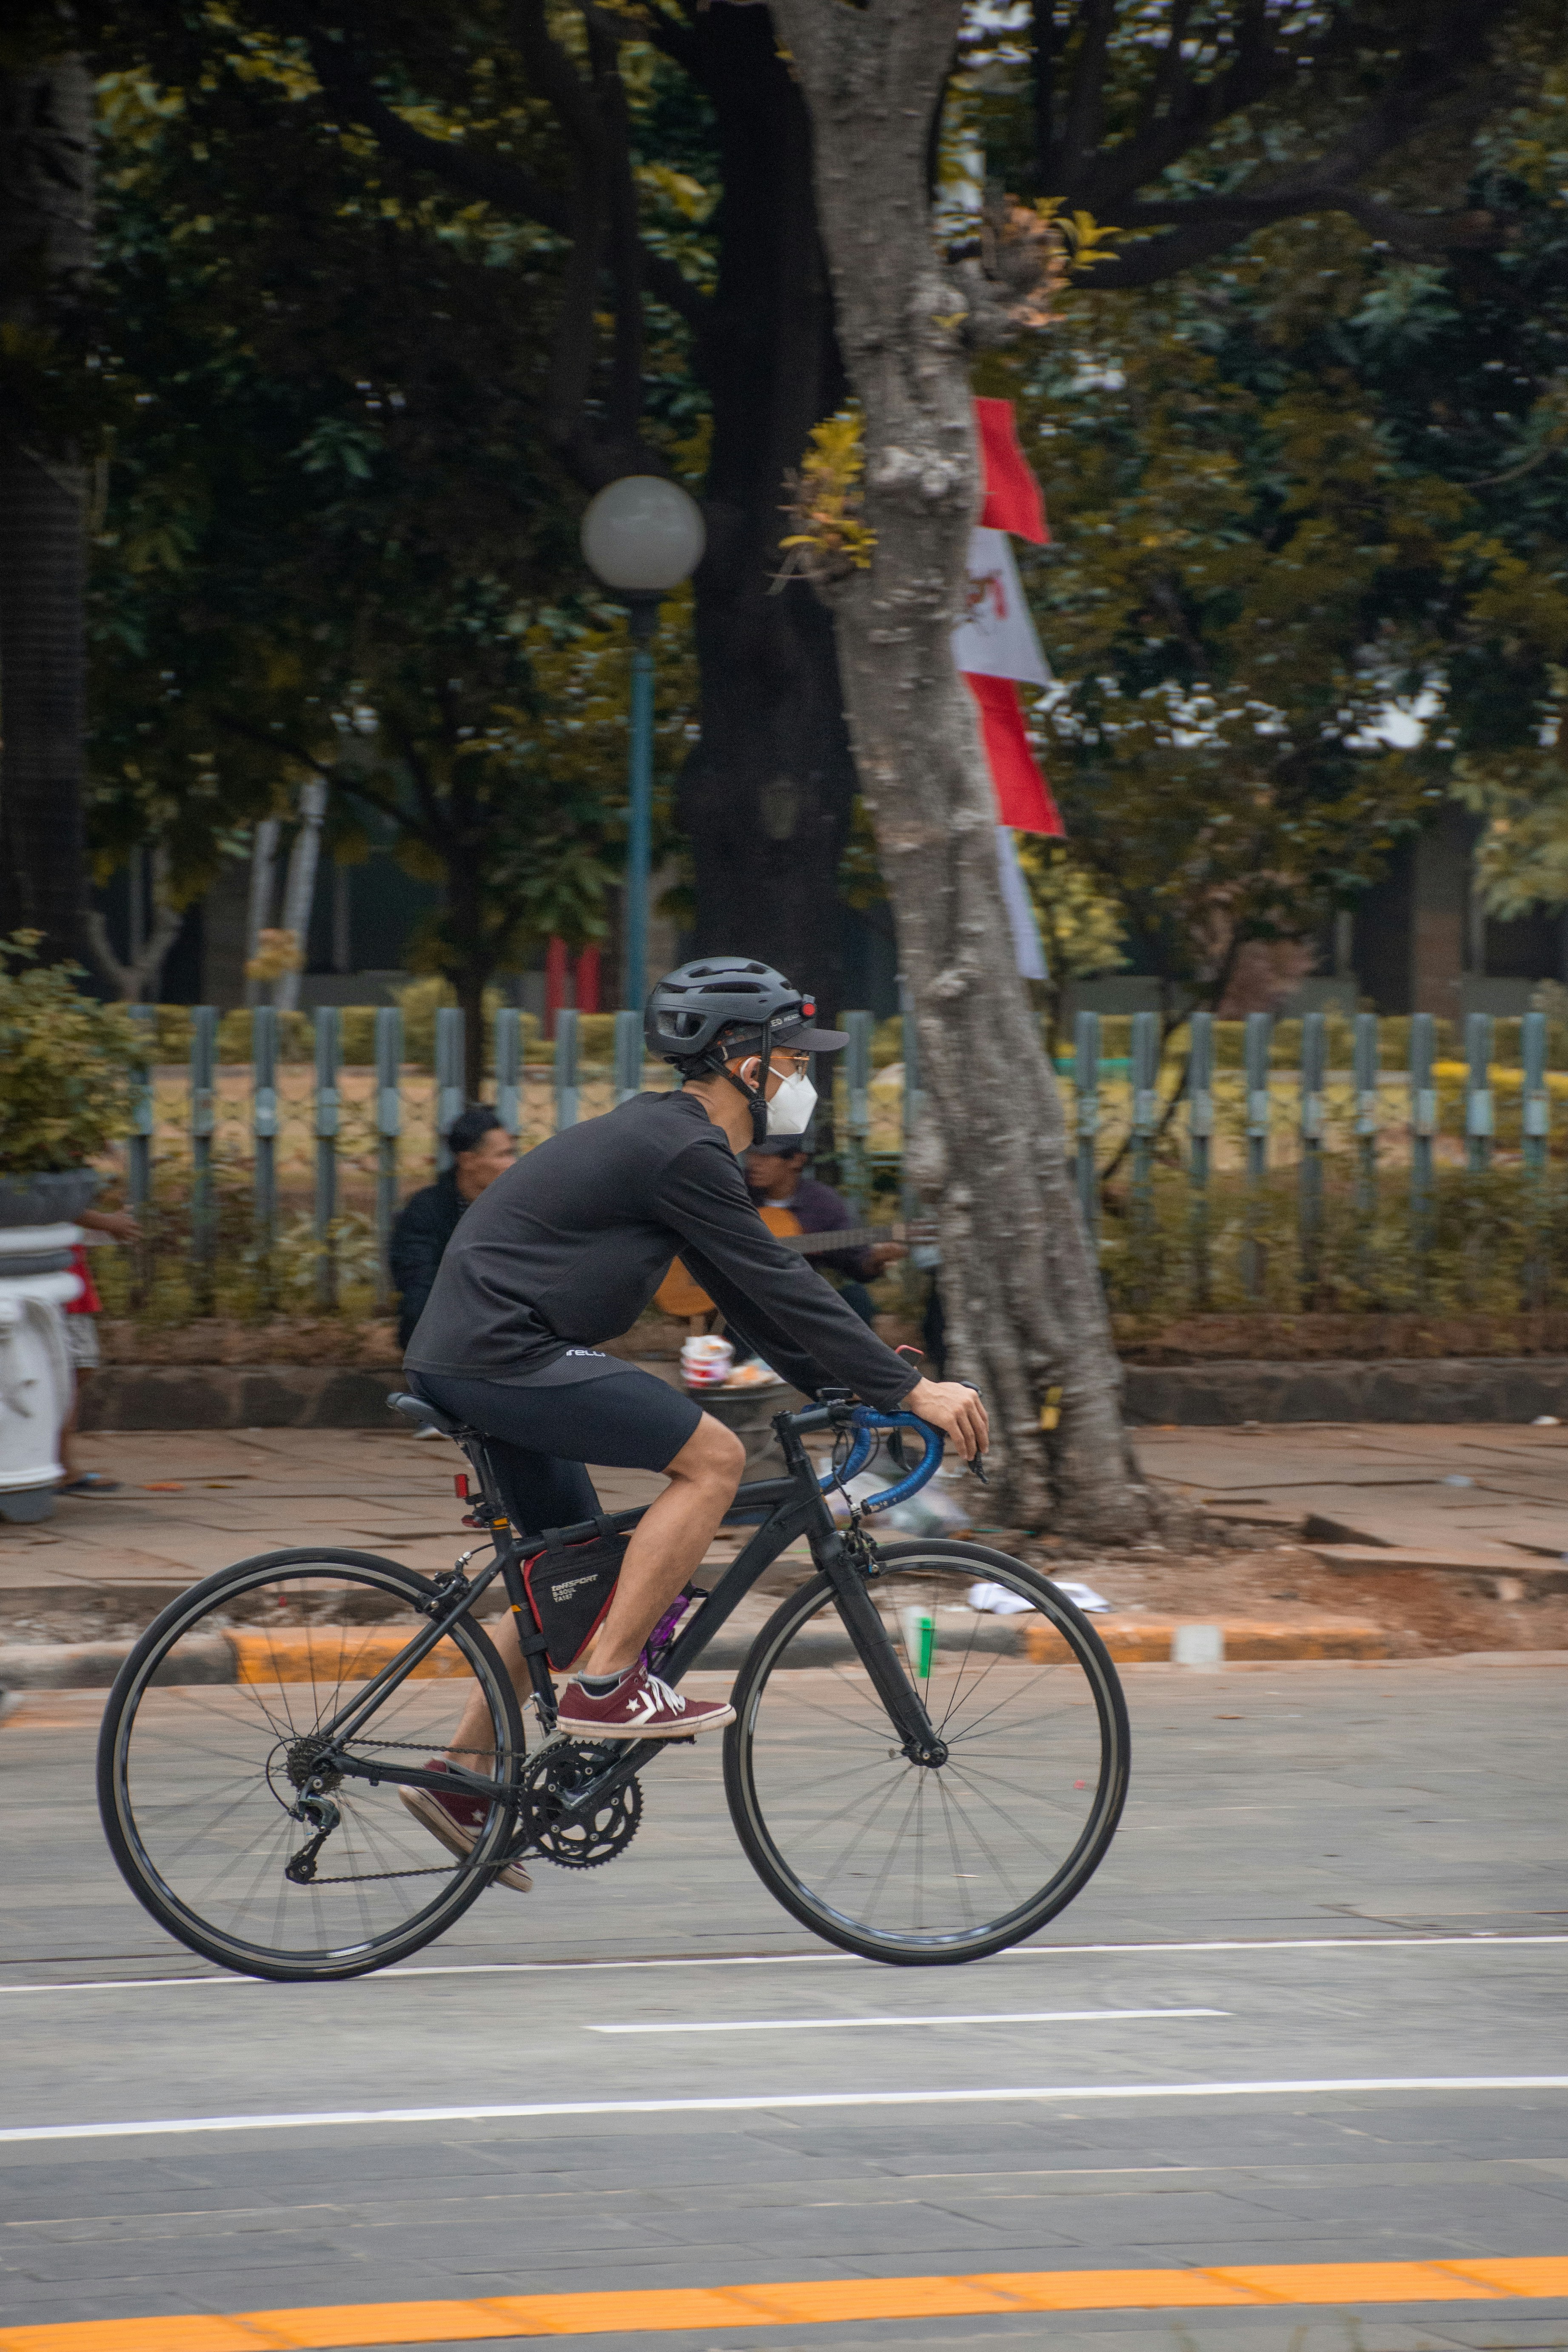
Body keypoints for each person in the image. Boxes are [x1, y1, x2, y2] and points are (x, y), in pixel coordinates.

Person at [399, 957, 987, 1886]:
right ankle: (606, 1686)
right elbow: (782, 1276)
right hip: (502, 1352)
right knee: (711, 1460)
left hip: (488, 1349)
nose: (803, 1077)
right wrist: (910, 1393)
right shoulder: (682, 1149)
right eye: (792, 1057)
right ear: (740, 1059)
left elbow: (751, 1296)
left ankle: (462, 1779)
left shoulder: (678, 1147)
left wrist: (858, 1388)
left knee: (572, 1578)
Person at [743, 1138, 906, 1328]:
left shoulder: (823, 1202)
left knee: (857, 1300)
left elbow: (855, 1264)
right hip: (747, 1292)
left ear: (796, 1160)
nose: (754, 1163)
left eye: (766, 1157)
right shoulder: (735, 1192)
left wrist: (877, 1259)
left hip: (802, 1293)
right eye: (751, 1155)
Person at [389, 1106, 515, 1350]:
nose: (513, 1164)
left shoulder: (518, 1209)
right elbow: (417, 1283)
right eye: (503, 1155)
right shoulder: (426, 1211)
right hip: (446, 1331)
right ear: (468, 1161)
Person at [57, 1204, 141, 1496]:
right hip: (59, 1287)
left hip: (65, 1278)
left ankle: (59, 1463)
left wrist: (105, 1227)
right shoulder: (40, 1162)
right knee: (67, 1373)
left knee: (72, 1373)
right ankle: (61, 1466)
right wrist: (107, 1222)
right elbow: (51, 1198)